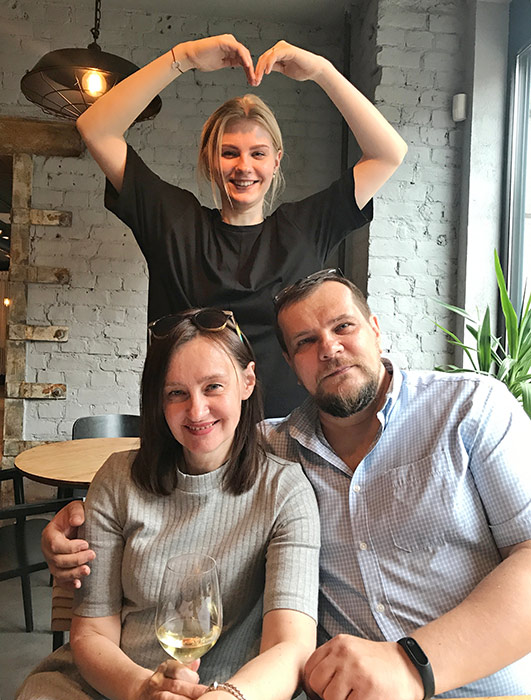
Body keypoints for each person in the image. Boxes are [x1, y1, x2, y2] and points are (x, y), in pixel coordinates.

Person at [44, 270, 531, 699]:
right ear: (291, 365)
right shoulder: (276, 447)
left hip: (480, 687)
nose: (330, 349)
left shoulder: (470, 409)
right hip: (341, 689)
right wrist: (75, 520)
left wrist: (412, 665)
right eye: (305, 342)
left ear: (376, 329)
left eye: (344, 326)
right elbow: (199, 456)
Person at [76, 33, 407, 417]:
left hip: (286, 443)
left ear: (276, 161)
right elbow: (95, 129)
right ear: (210, 160)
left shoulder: (303, 227)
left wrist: (322, 71)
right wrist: (181, 57)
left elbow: (387, 154)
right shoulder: (176, 223)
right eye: (229, 153)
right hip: (191, 437)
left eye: (258, 154)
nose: (244, 167)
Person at [18, 308, 319, 700]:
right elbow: (92, 631)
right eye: (176, 393)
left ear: (247, 381)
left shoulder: (284, 490)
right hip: (115, 683)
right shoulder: (118, 478)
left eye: (213, 387)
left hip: (238, 690)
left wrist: (229, 696)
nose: (196, 411)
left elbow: (290, 645)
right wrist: (143, 688)